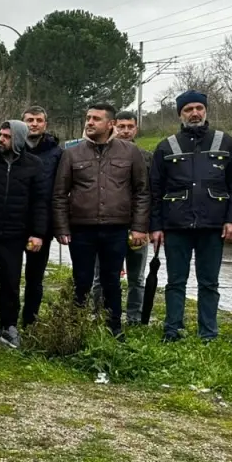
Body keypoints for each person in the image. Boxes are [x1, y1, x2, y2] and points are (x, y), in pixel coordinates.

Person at [148, 93, 232, 342]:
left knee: (209, 282)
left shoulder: (226, 142)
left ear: (206, 110)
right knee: (175, 281)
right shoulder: (166, 146)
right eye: (188, 109)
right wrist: (155, 226)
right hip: (176, 225)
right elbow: (155, 189)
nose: (194, 113)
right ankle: (173, 330)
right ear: (180, 114)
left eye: (199, 108)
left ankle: (208, 333)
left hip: (212, 225)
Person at [53, 102, 150, 336]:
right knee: (82, 280)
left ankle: (113, 328)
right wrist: (62, 228)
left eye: (96, 119)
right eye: (88, 118)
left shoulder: (130, 152)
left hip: (116, 228)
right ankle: (75, 329)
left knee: (111, 281)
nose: (89, 122)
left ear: (110, 124)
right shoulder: (72, 153)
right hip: (81, 229)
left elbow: (142, 191)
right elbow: (59, 194)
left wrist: (139, 227)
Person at [0, 121, 49, 348]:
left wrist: (37, 233)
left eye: (7, 136)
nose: (1, 139)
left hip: (15, 235)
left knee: (11, 281)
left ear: (19, 140)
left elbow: (40, 201)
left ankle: (9, 325)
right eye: (0, 135)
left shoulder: (34, 165)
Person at [94, 110, 156, 327]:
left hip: (138, 226)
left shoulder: (146, 157)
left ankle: (134, 318)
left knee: (136, 277)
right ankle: (100, 315)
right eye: (121, 127)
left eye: (130, 127)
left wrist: (147, 226)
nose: (126, 131)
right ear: (113, 126)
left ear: (136, 129)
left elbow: (150, 193)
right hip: (107, 226)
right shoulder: (101, 154)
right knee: (102, 275)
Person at [21, 105, 64, 326]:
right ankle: (8, 321)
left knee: (35, 276)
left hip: (42, 223)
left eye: (38, 120)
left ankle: (30, 320)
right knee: (9, 274)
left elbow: (60, 190)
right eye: (30, 120)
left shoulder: (56, 153)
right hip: (14, 221)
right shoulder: (15, 148)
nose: (34, 124)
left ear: (45, 124)